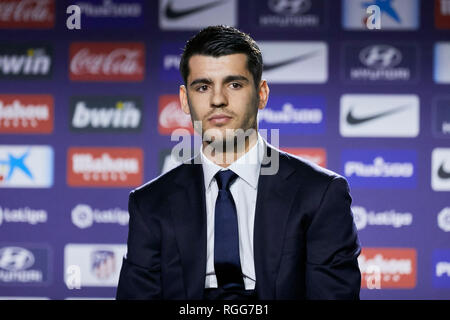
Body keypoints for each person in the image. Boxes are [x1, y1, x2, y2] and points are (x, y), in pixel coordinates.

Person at [116, 25, 361, 300]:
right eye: (203, 86)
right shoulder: (150, 202)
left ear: (262, 94)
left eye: (234, 84)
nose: (218, 100)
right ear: (185, 100)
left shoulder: (320, 194)